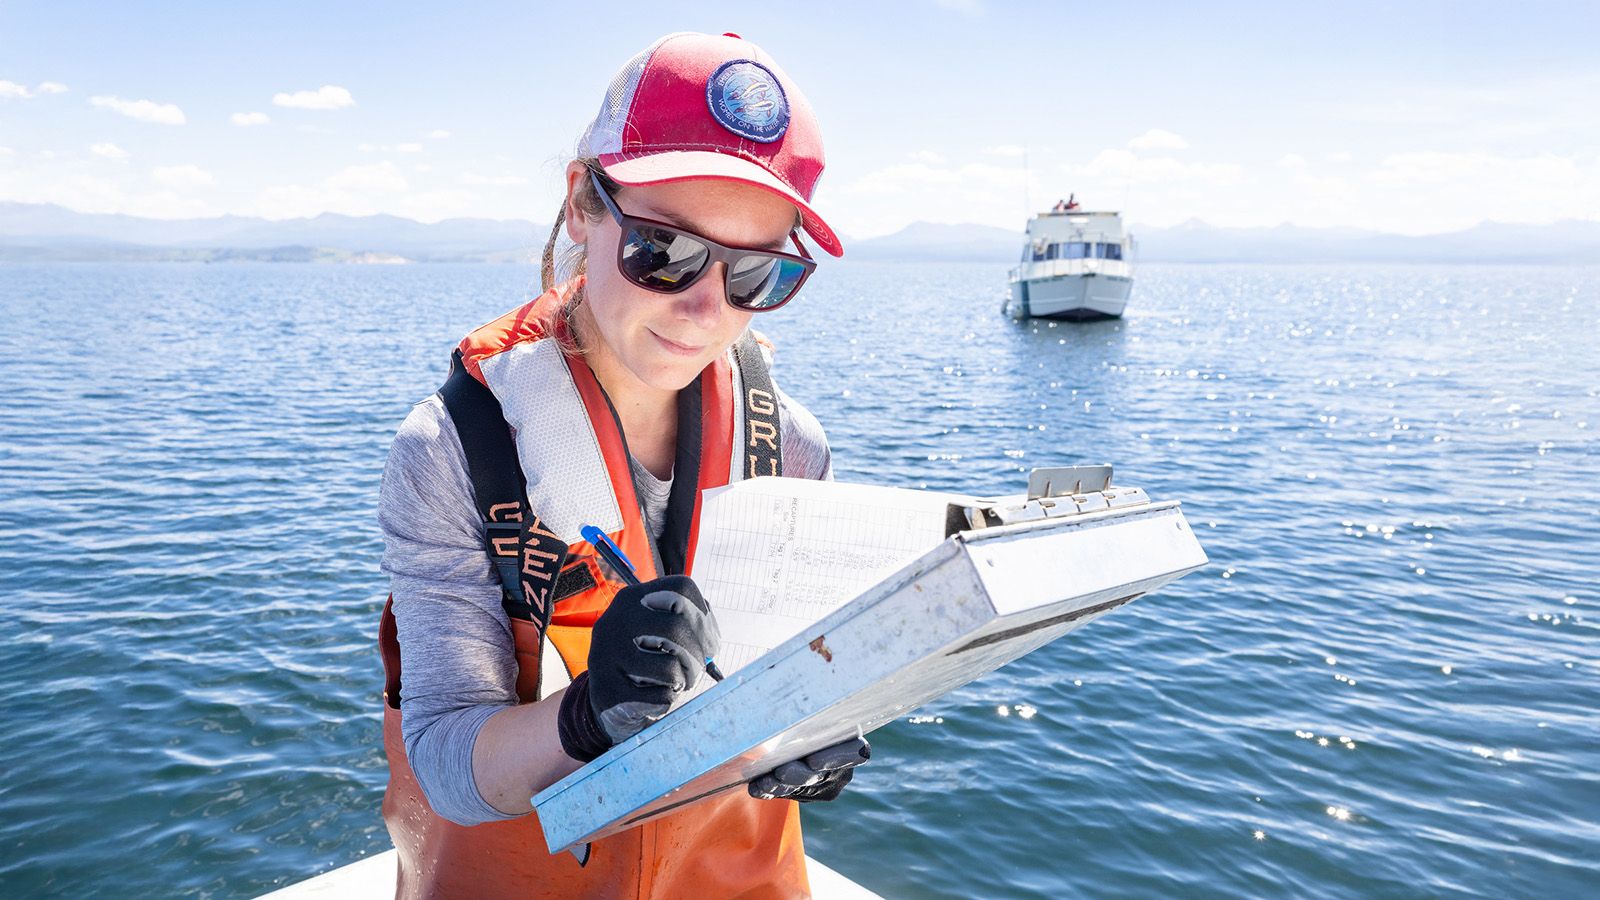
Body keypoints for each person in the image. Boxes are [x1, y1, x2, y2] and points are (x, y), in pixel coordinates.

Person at [376, 32, 869, 899]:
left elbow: (802, 677)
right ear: (581, 204)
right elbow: (449, 761)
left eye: (756, 272)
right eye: (663, 252)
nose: (706, 310)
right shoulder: (451, 452)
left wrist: (816, 730)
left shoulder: (794, 449)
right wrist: (583, 712)